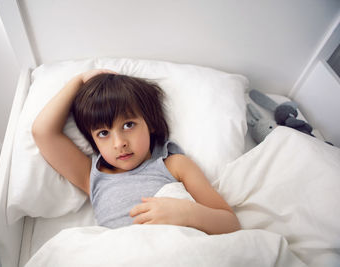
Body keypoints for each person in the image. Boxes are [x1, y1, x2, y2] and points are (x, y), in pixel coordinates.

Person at [32, 69, 240, 235]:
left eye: (129, 125)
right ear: (93, 139)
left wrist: (186, 213)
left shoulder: (174, 165)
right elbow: (43, 132)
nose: (119, 143)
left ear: (149, 123)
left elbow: (230, 223)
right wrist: (77, 81)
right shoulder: (92, 176)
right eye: (104, 133)